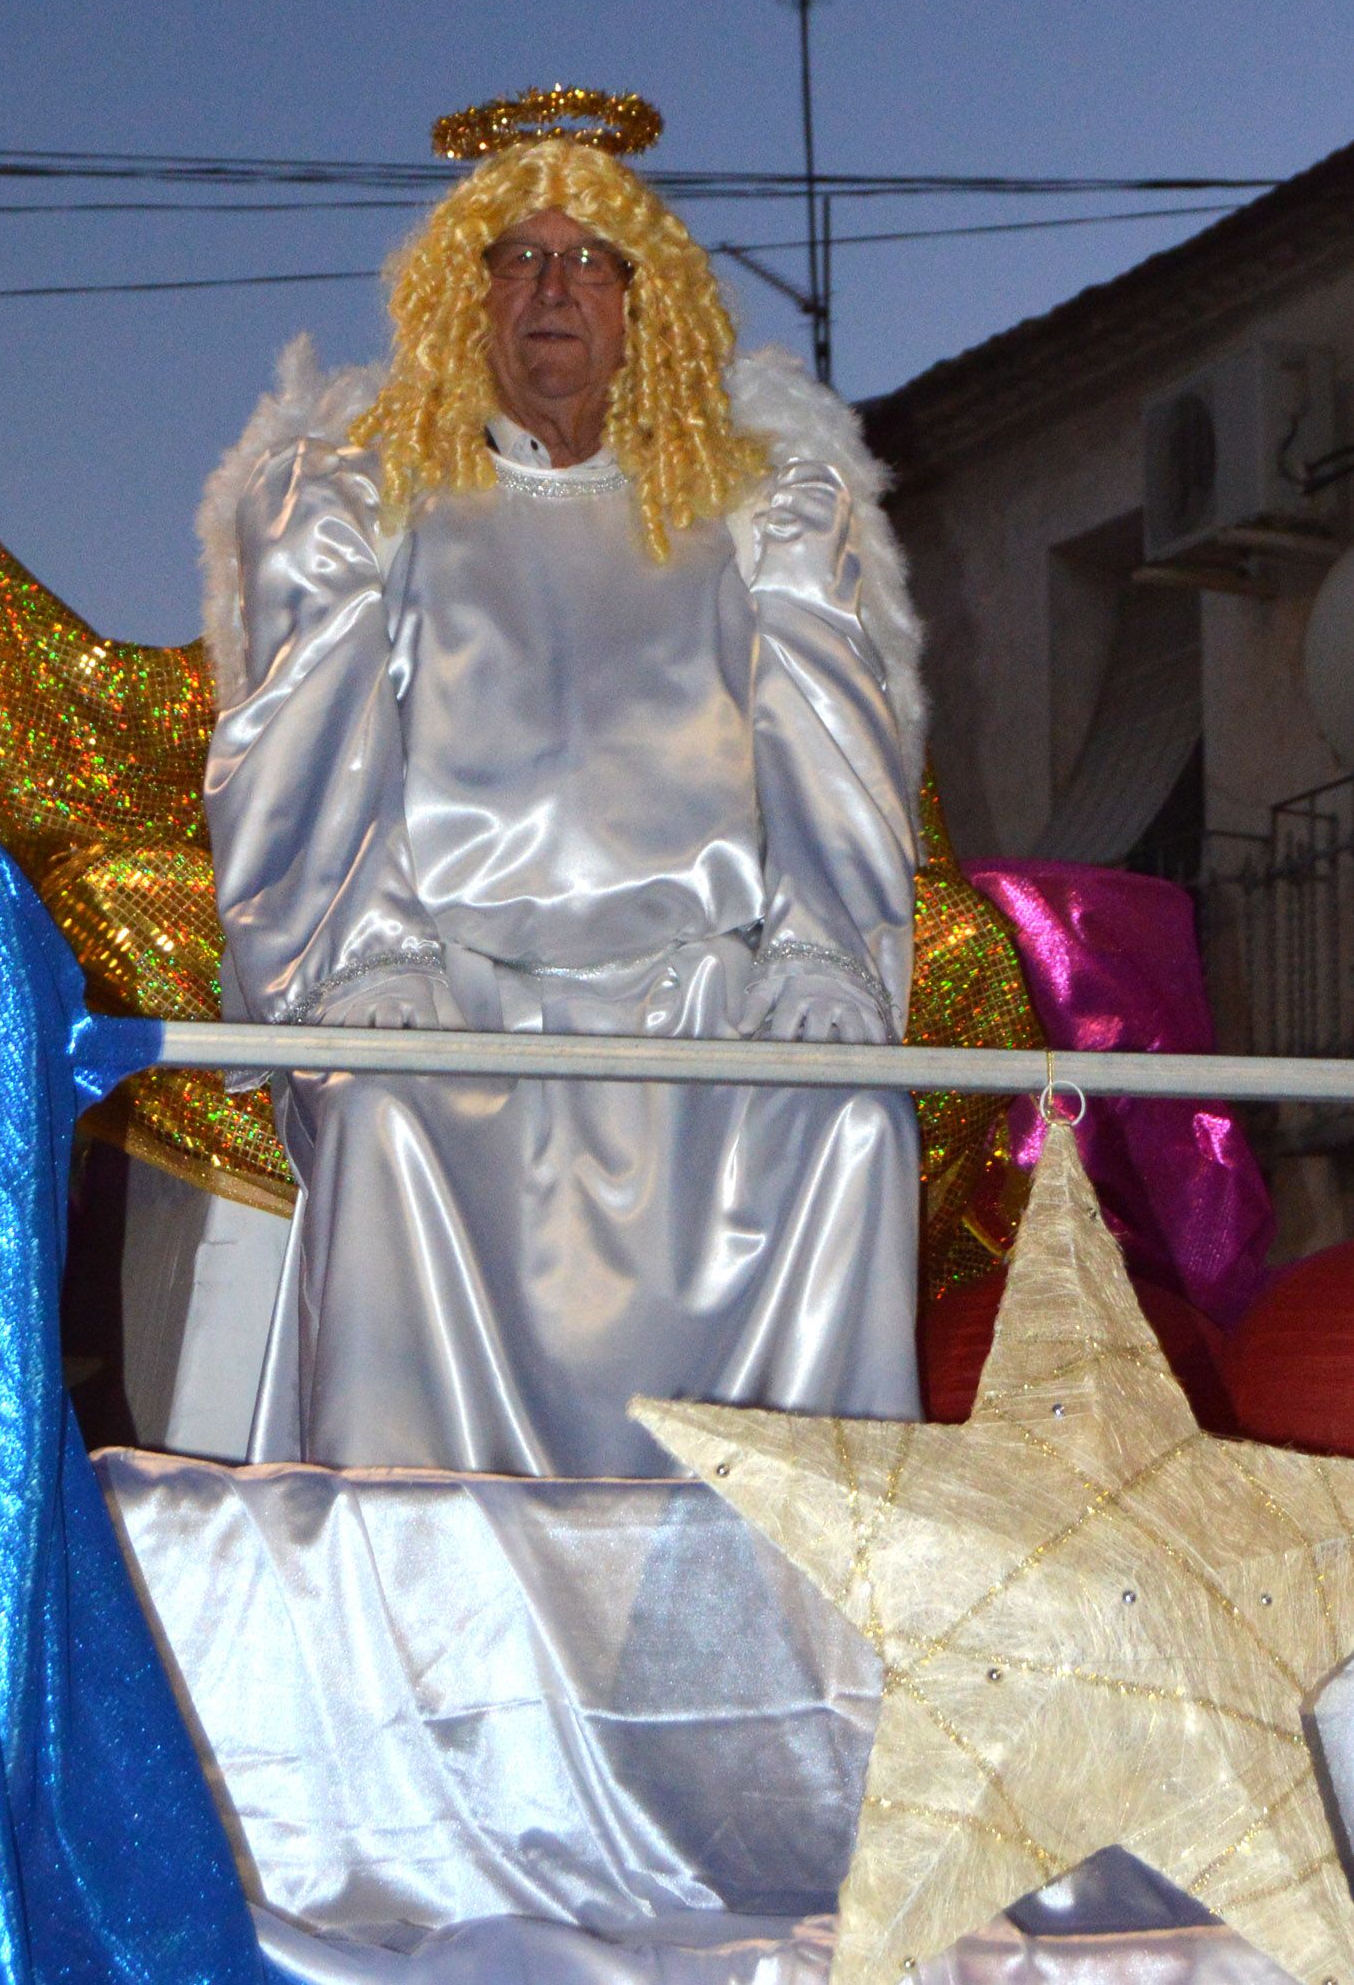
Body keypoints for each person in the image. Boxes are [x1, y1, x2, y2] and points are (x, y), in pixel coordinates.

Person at [201, 93, 926, 1476]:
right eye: (517, 259)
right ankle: (416, 1600)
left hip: (702, 1019)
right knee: (385, 1120)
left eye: (588, 260)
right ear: (462, 296)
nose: (552, 289)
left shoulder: (758, 510)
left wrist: (823, 963)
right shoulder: (361, 498)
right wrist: (373, 975)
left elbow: (832, 755)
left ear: (643, 307)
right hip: (458, 1017)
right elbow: (307, 758)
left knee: (848, 1122)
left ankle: (802, 1604)